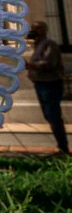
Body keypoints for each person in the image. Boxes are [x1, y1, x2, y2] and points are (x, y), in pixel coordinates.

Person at [25, 21, 70, 156]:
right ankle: (61, 146)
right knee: (49, 115)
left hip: (50, 84)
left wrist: (31, 66)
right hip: (41, 83)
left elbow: (49, 63)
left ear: (43, 30)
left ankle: (63, 148)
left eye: (35, 29)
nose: (32, 31)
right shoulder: (38, 45)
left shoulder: (49, 44)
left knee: (53, 115)